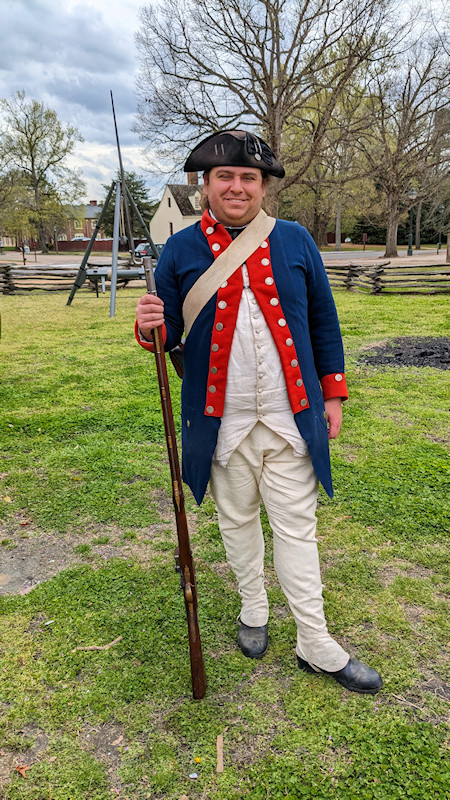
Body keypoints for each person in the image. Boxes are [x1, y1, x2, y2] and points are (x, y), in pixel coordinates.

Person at [136, 130, 382, 694]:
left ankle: (315, 641)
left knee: (298, 529)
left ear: (264, 186)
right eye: (225, 177)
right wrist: (150, 324)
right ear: (205, 186)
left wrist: (333, 392)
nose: (238, 186)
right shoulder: (178, 252)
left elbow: (323, 319)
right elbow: (166, 335)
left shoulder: (294, 240)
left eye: (250, 177)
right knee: (237, 521)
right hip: (219, 421)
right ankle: (253, 609)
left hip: (289, 413)